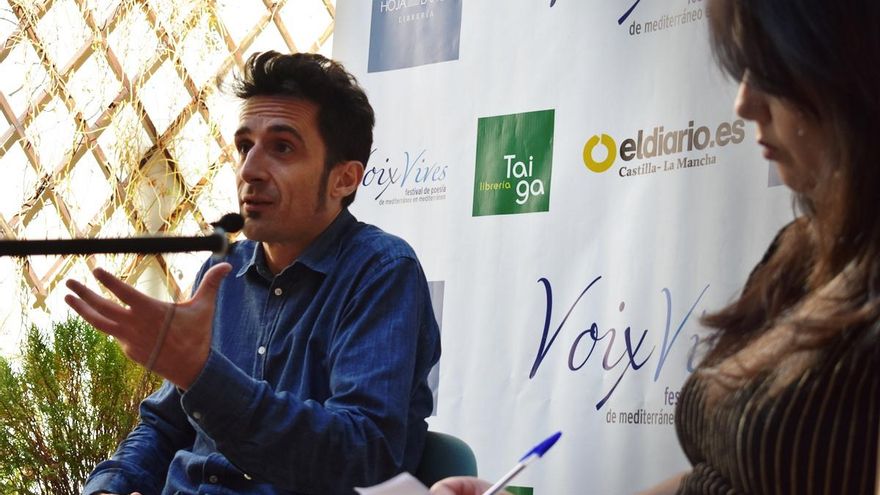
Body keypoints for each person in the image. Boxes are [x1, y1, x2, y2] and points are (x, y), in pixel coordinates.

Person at [432, 0, 880, 493]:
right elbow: (713, 479)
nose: (744, 103)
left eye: (770, 68)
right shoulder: (799, 251)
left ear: (850, 67)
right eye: (744, 69)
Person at [65, 51, 441, 495]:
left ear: (344, 179)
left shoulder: (381, 272)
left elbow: (362, 456)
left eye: (282, 148)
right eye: (245, 147)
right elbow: (165, 426)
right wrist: (109, 488)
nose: (249, 170)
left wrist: (202, 375)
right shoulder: (221, 272)